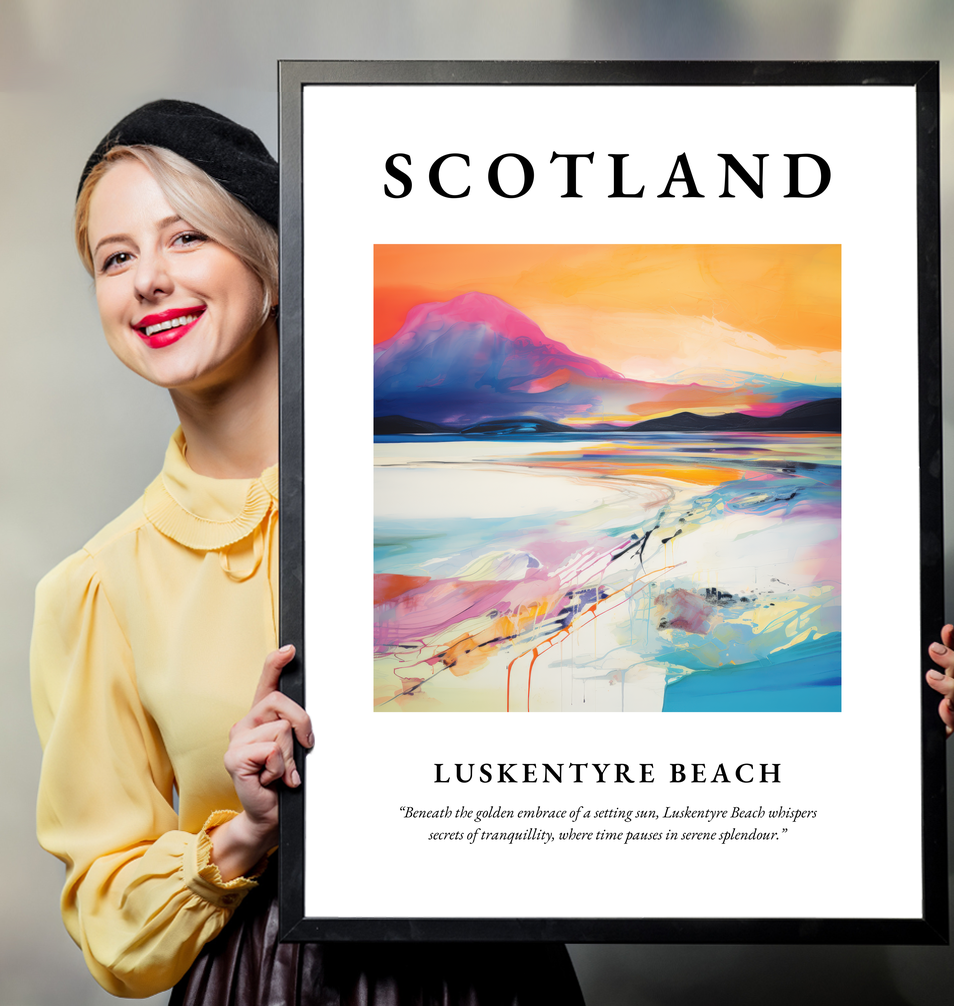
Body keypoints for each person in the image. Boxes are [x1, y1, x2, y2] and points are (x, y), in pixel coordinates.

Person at [30, 100, 586, 1004]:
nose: (148, 281)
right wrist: (245, 832)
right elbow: (110, 923)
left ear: (272, 263)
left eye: (185, 238)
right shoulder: (98, 587)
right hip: (262, 982)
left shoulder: (451, 499)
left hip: (492, 972)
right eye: (116, 257)